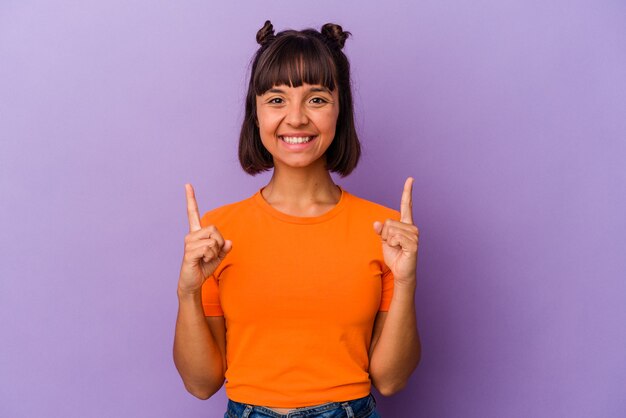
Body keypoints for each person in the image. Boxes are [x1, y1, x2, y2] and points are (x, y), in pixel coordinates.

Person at [173, 20, 421, 417]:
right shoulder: (217, 234)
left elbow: (390, 380)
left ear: (340, 110)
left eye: (316, 99)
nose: (297, 118)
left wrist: (406, 280)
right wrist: (187, 292)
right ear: (255, 114)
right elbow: (201, 385)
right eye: (276, 100)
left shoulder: (385, 231)